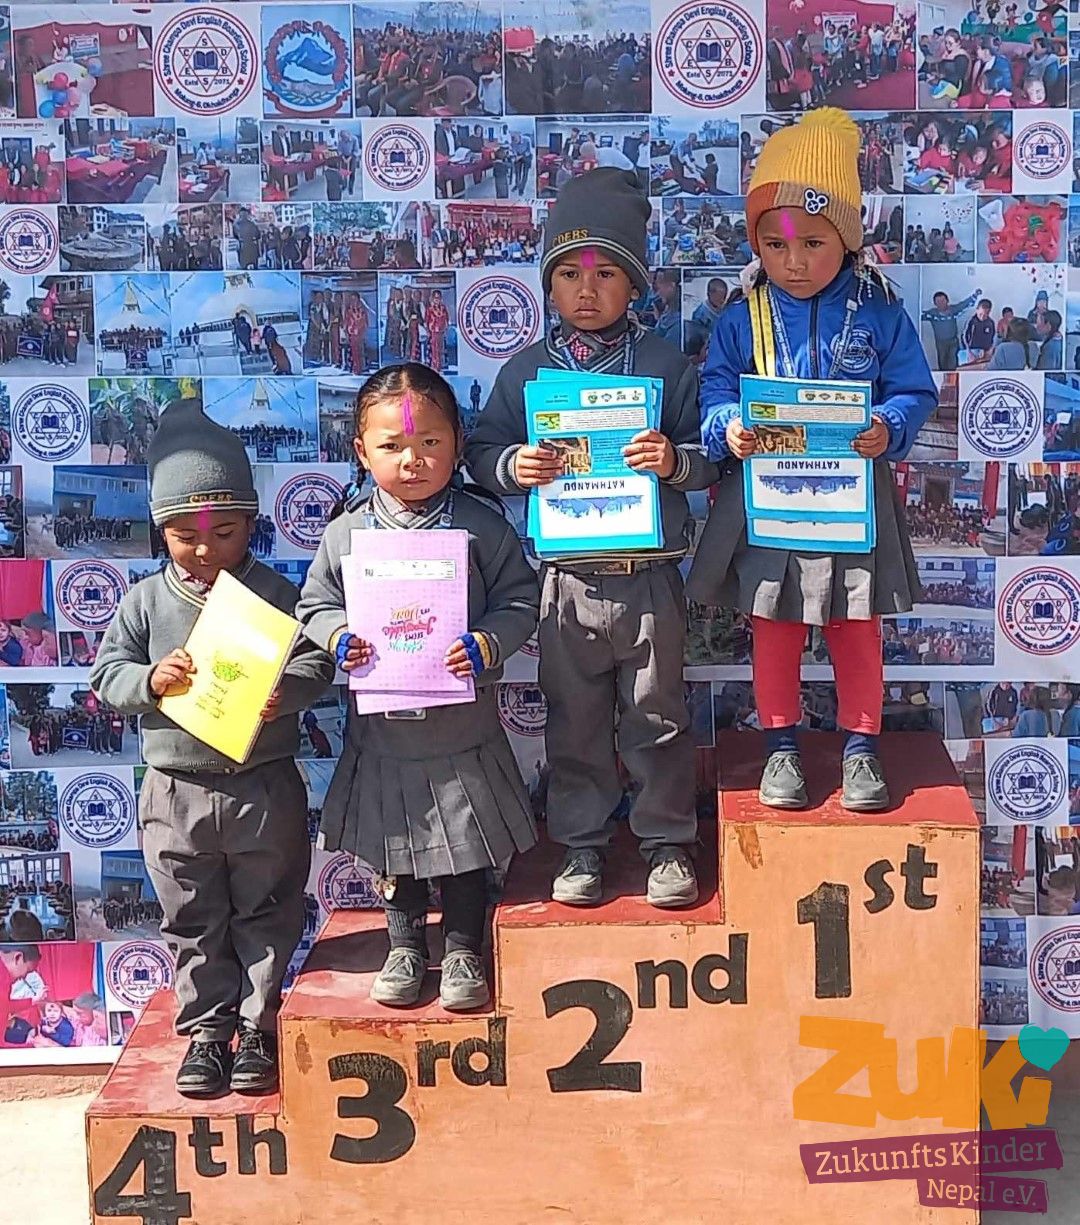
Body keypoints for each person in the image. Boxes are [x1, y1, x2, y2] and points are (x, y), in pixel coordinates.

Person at [465, 168, 717, 908]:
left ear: (634, 284)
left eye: (607, 273)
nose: (587, 289)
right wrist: (515, 465)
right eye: (570, 273)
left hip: (648, 579)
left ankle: (667, 842)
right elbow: (482, 451)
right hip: (565, 584)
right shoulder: (527, 371)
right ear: (548, 284)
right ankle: (581, 844)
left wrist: (672, 462)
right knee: (574, 724)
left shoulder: (665, 366)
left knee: (657, 717)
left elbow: (710, 459)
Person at [689, 109, 937, 812]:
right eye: (775, 244)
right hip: (771, 502)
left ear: (847, 238)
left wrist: (890, 425)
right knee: (774, 625)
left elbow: (914, 389)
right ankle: (781, 746)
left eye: (813, 243)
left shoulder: (879, 310)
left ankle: (861, 747)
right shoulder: (741, 317)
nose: (793, 261)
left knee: (856, 626)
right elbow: (714, 389)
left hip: (852, 503)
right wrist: (727, 428)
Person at [89, 401, 335, 1096]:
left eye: (224, 532)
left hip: (263, 785)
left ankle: (257, 1028)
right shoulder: (143, 602)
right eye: (184, 536)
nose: (204, 550)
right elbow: (106, 677)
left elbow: (318, 662)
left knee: (269, 909)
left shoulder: (276, 593)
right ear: (160, 530)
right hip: (175, 791)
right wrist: (150, 680)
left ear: (251, 523)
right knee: (192, 918)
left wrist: (285, 691)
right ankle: (206, 1033)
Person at [297, 364, 539, 1011]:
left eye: (431, 442)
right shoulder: (346, 534)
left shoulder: (482, 527)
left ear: (458, 443)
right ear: (361, 451)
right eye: (393, 445)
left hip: (462, 732)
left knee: (466, 844)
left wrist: (489, 642)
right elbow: (314, 605)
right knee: (395, 843)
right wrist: (337, 636)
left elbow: (521, 600)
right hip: (384, 736)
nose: (413, 460)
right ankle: (404, 946)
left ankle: (462, 949)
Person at [922, 288, 982, 370]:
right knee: (942, 363)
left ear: (947, 301)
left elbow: (964, 304)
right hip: (940, 343)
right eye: (938, 302)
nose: (941, 304)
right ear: (935, 303)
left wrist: (975, 295)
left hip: (953, 342)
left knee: (953, 364)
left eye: (943, 301)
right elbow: (917, 314)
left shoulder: (953, 310)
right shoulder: (932, 314)